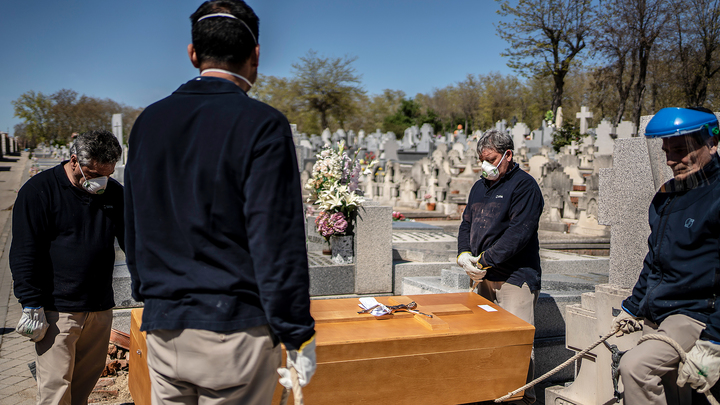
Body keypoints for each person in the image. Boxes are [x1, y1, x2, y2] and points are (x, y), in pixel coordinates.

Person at [124, 1, 315, 404]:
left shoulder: (148, 123)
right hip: (233, 329)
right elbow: (275, 239)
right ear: (256, 55)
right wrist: (296, 330)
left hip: (164, 327)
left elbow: (134, 223)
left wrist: (151, 295)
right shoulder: (262, 125)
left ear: (192, 53)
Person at [613, 107, 720, 404]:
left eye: (681, 150)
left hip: (698, 312)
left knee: (635, 368)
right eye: (666, 151)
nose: (672, 160)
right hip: (661, 312)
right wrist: (633, 307)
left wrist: (714, 341)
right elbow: (655, 259)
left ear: (711, 142)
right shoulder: (667, 195)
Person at [10, 130, 124, 405]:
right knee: (56, 389)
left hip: (99, 306)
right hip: (56, 310)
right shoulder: (38, 191)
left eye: (106, 175)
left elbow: (132, 241)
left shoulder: (114, 193)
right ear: (74, 160)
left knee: (84, 385)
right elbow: (25, 251)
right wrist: (31, 303)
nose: (99, 181)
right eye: (93, 173)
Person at [457, 129, 544, 404]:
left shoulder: (524, 187)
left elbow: (518, 234)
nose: (485, 165)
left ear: (508, 155)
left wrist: (483, 260)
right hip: (482, 277)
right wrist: (463, 254)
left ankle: (521, 399)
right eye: (481, 159)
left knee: (517, 346)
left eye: (491, 158)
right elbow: (466, 223)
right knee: (483, 342)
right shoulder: (479, 186)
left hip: (515, 278)